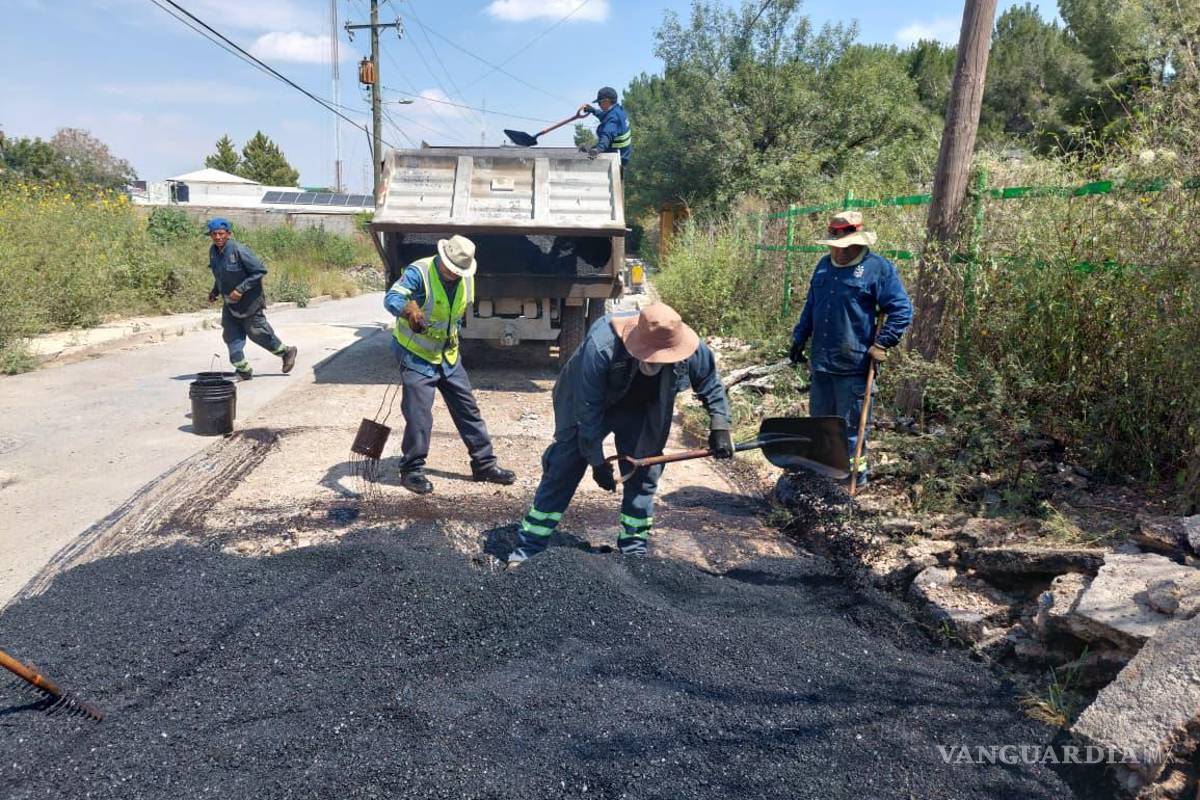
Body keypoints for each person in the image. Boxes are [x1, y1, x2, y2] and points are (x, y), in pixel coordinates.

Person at [509, 303, 732, 564]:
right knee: (565, 463)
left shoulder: (683, 342)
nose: (659, 361)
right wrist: (596, 461)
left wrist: (720, 425)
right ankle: (528, 549)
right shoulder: (602, 345)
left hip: (642, 405)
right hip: (590, 399)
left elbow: (710, 382)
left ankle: (634, 552)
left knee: (645, 470)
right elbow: (586, 412)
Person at [788, 211, 913, 487]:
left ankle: (853, 481)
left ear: (858, 242)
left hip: (854, 367)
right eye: (834, 245)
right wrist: (799, 338)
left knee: (852, 431)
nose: (839, 251)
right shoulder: (823, 266)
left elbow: (902, 310)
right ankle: (823, 480)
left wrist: (883, 342)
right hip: (821, 363)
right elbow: (811, 306)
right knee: (821, 427)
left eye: (845, 246)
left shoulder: (877, 269)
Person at [383, 234, 515, 495]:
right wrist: (410, 310)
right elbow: (392, 297)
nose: (454, 274)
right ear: (442, 257)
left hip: (448, 356)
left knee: (468, 409)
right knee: (419, 414)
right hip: (416, 354)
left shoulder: (466, 277)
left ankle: (484, 464)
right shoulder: (419, 272)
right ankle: (412, 469)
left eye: (459, 271)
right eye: (451, 269)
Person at [206, 218, 297, 381]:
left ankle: (286, 352)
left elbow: (259, 271)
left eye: (221, 233)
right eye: (214, 234)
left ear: (228, 234)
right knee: (231, 336)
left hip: (250, 303)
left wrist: (241, 289)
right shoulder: (213, 252)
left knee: (258, 333)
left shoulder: (239, 251)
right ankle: (243, 370)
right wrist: (215, 291)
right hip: (230, 303)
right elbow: (220, 275)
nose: (218, 237)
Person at [578, 86, 631, 167]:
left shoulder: (613, 119)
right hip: (623, 154)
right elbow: (604, 116)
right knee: (586, 151)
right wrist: (592, 110)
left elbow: (607, 135)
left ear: (606, 101)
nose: (599, 105)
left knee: (585, 157)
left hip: (614, 158)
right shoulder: (618, 111)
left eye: (599, 102)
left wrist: (596, 150)